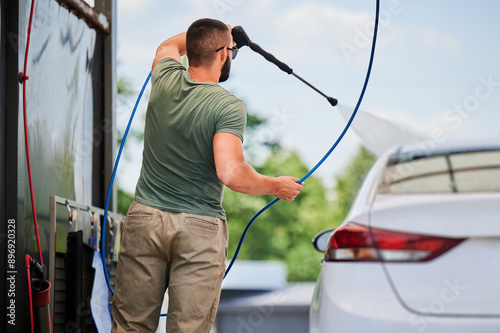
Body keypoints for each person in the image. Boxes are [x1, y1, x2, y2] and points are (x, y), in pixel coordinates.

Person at [111, 18, 303, 333]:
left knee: (130, 326)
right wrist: (274, 185)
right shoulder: (227, 106)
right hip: (197, 228)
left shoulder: (164, 79)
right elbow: (230, 172)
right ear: (225, 54)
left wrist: (220, 33)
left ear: (192, 51)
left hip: (144, 218)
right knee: (187, 328)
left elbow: (168, 46)